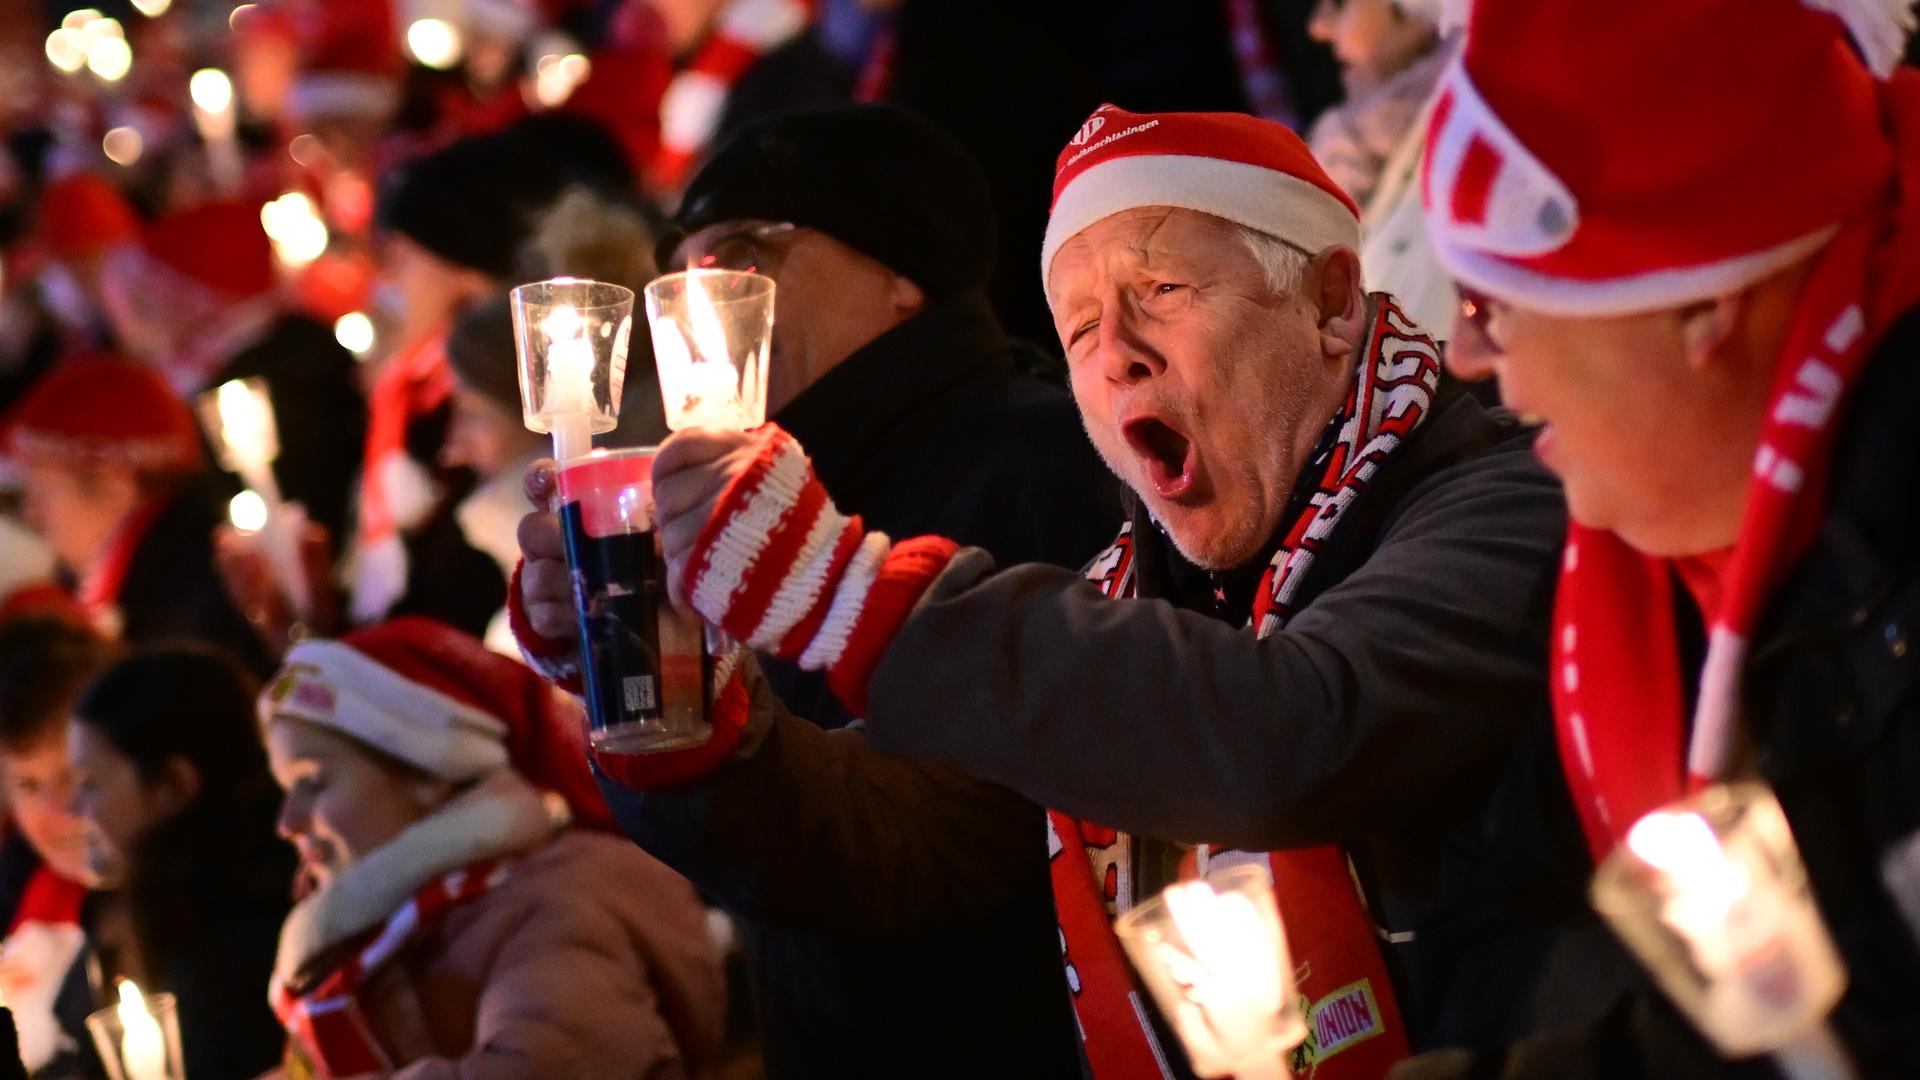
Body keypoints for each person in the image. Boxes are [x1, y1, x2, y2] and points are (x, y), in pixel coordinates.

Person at [517, 106, 1591, 1077]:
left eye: (1161, 289)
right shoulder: (1133, 593)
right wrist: (669, 698)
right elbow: (897, 836)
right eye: (1078, 328)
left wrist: (847, 594)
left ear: (1330, 298)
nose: (1115, 354)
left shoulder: (1506, 497)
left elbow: (1295, 728)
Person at [515, 104, 1120, 1078]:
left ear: (901, 277)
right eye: (685, 267)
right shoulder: (736, 497)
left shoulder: (1042, 460)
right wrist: (632, 670)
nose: (703, 290)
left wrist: (708, 729)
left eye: (750, 251)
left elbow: (962, 848)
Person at [1394, 1, 1920, 1075]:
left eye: (1495, 300)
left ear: (1700, 306)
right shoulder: (1630, 577)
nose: (1463, 354)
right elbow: (1480, 930)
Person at [258, 618, 724, 1079]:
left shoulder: (554, 907)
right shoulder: (403, 919)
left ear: (432, 770)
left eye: (312, 782)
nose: (285, 823)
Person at [66, 647, 295, 1080]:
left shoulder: (234, 951)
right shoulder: (146, 915)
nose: (74, 807)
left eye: (90, 783)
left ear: (173, 785)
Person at [6, 353, 270, 672]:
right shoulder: (150, 585)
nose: (32, 516)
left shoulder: (183, 609)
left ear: (114, 486)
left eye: (41, 493)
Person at [0, 618, 113, 1078]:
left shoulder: (171, 916)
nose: (57, 812)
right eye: (29, 785)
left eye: (77, 775)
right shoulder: (19, 896)